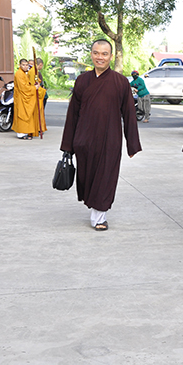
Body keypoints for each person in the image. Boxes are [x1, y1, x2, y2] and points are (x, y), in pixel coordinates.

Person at [60, 39, 142, 231]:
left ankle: (99, 216)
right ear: (91, 54)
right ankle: (94, 207)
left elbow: (129, 114)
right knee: (87, 176)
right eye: (96, 53)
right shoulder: (82, 81)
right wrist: (68, 144)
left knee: (106, 176)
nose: (100, 57)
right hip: (84, 139)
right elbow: (73, 114)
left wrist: (132, 143)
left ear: (111, 57)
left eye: (104, 54)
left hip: (110, 138)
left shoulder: (120, 82)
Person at [13, 58, 46, 140]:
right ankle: (21, 133)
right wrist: (34, 88)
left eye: (27, 65)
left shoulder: (24, 74)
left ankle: (25, 132)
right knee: (22, 115)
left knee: (27, 115)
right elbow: (23, 88)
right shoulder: (19, 74)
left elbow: (28, 84)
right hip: (21, 97)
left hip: (25, 97)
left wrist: (35, 85)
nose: (25, 66)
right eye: (23, 65)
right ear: (20, 65)